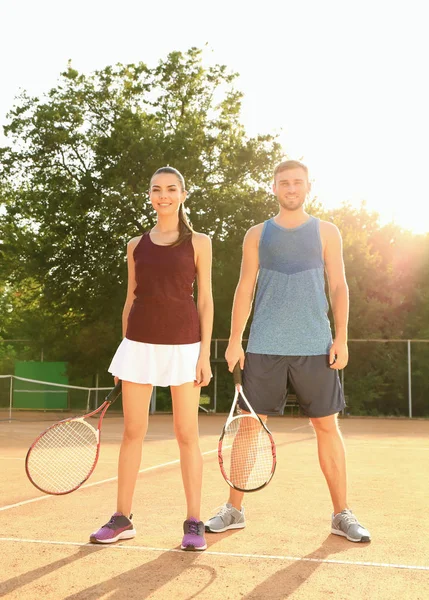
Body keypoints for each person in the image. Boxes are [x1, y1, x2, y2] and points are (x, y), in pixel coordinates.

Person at [205, 160, 371, 543]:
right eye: (284, 183)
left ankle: (341, 514)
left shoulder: (327, 232)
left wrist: (341, 337)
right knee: (249, 428)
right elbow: (244, 287)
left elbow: (339, 287)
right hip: (264, 345)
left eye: (297, 182)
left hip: (316, 345)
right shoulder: (256, 234)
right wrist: (234, 339)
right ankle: (233, 510)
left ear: (308, 187)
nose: (291, 188)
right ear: (275, 188)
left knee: (326, 427)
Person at [90, 166, 213, 551]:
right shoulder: (134, 245)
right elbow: (130, 299)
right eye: (157, 189)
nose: (164, 195)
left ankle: (194, 522)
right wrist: (125, 350)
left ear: (183, 194)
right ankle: (122, 518)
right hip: (139, 345)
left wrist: (204, 353)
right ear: (150, 195)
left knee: (186, 435)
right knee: (132, 433)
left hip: (184, 345)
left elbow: (205, 300)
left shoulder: (200, 242)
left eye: (171, 189)